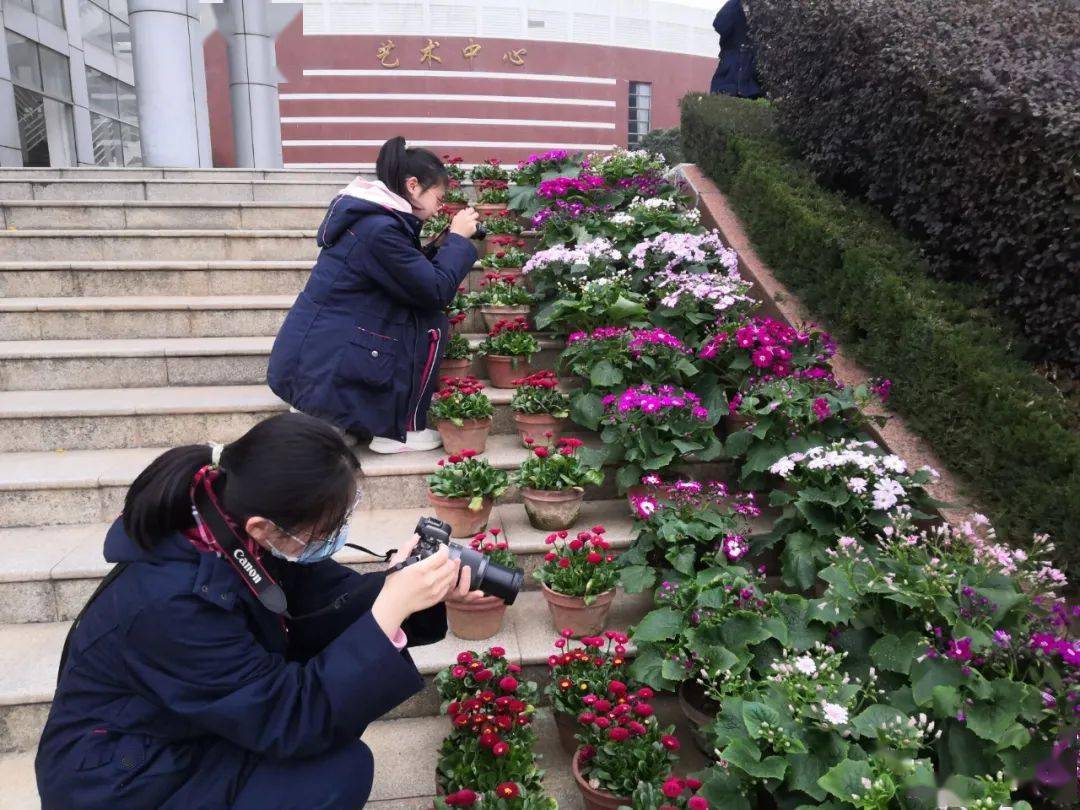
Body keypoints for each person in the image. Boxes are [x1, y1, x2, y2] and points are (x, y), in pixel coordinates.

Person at [35, 412, 487, 809]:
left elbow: (326, 603)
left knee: (332, 754)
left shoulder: (233, 529)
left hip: (179, 733)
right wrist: (389, 608)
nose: (339, 532)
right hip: (119, 778)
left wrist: (407, 585)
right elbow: (289, 716)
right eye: (329, 525)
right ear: (264, 526)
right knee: (330, 775)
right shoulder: (170, 604)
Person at [267, 137, 481, 454]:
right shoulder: (380, 229)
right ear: (412, 185)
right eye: (439, 195)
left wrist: (442, 244)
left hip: (320, 358)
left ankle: (338, 418)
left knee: (418, 316)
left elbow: (406, 273)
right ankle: (394, 431)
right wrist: (460, 241)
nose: (440, 205)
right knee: (429, 320)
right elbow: (433, 290)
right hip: (325, 364)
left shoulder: (375, 220)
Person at [710, 0, 762, 98]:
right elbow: (719, 25)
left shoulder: (765, 11)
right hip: (728, 83)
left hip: (753, 88)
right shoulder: (734, 7)